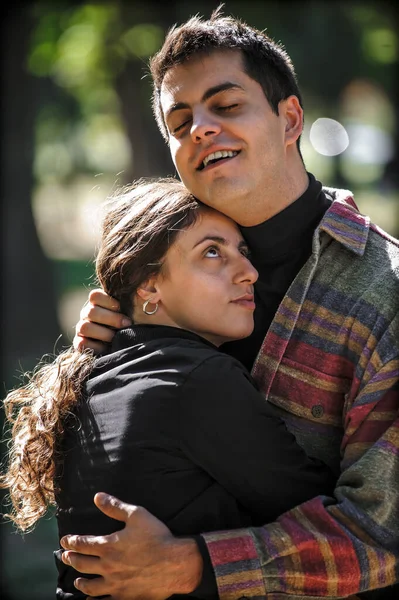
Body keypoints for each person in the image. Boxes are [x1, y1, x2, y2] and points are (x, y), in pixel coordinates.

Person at [60, 7, 399, 600]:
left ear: (290, 118)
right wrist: (113, 350)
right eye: (180, 119)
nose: (200, 129)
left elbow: (383, 533)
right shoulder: (155, 282)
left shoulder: (386, 292)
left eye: (227, 105)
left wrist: (195, 566)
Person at [1, 178, 337, 599]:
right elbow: (327, 523)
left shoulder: (92, 378)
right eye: (212, 252)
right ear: (149, 285)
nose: (249, 272)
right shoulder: (196, 379)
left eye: (244, 252)